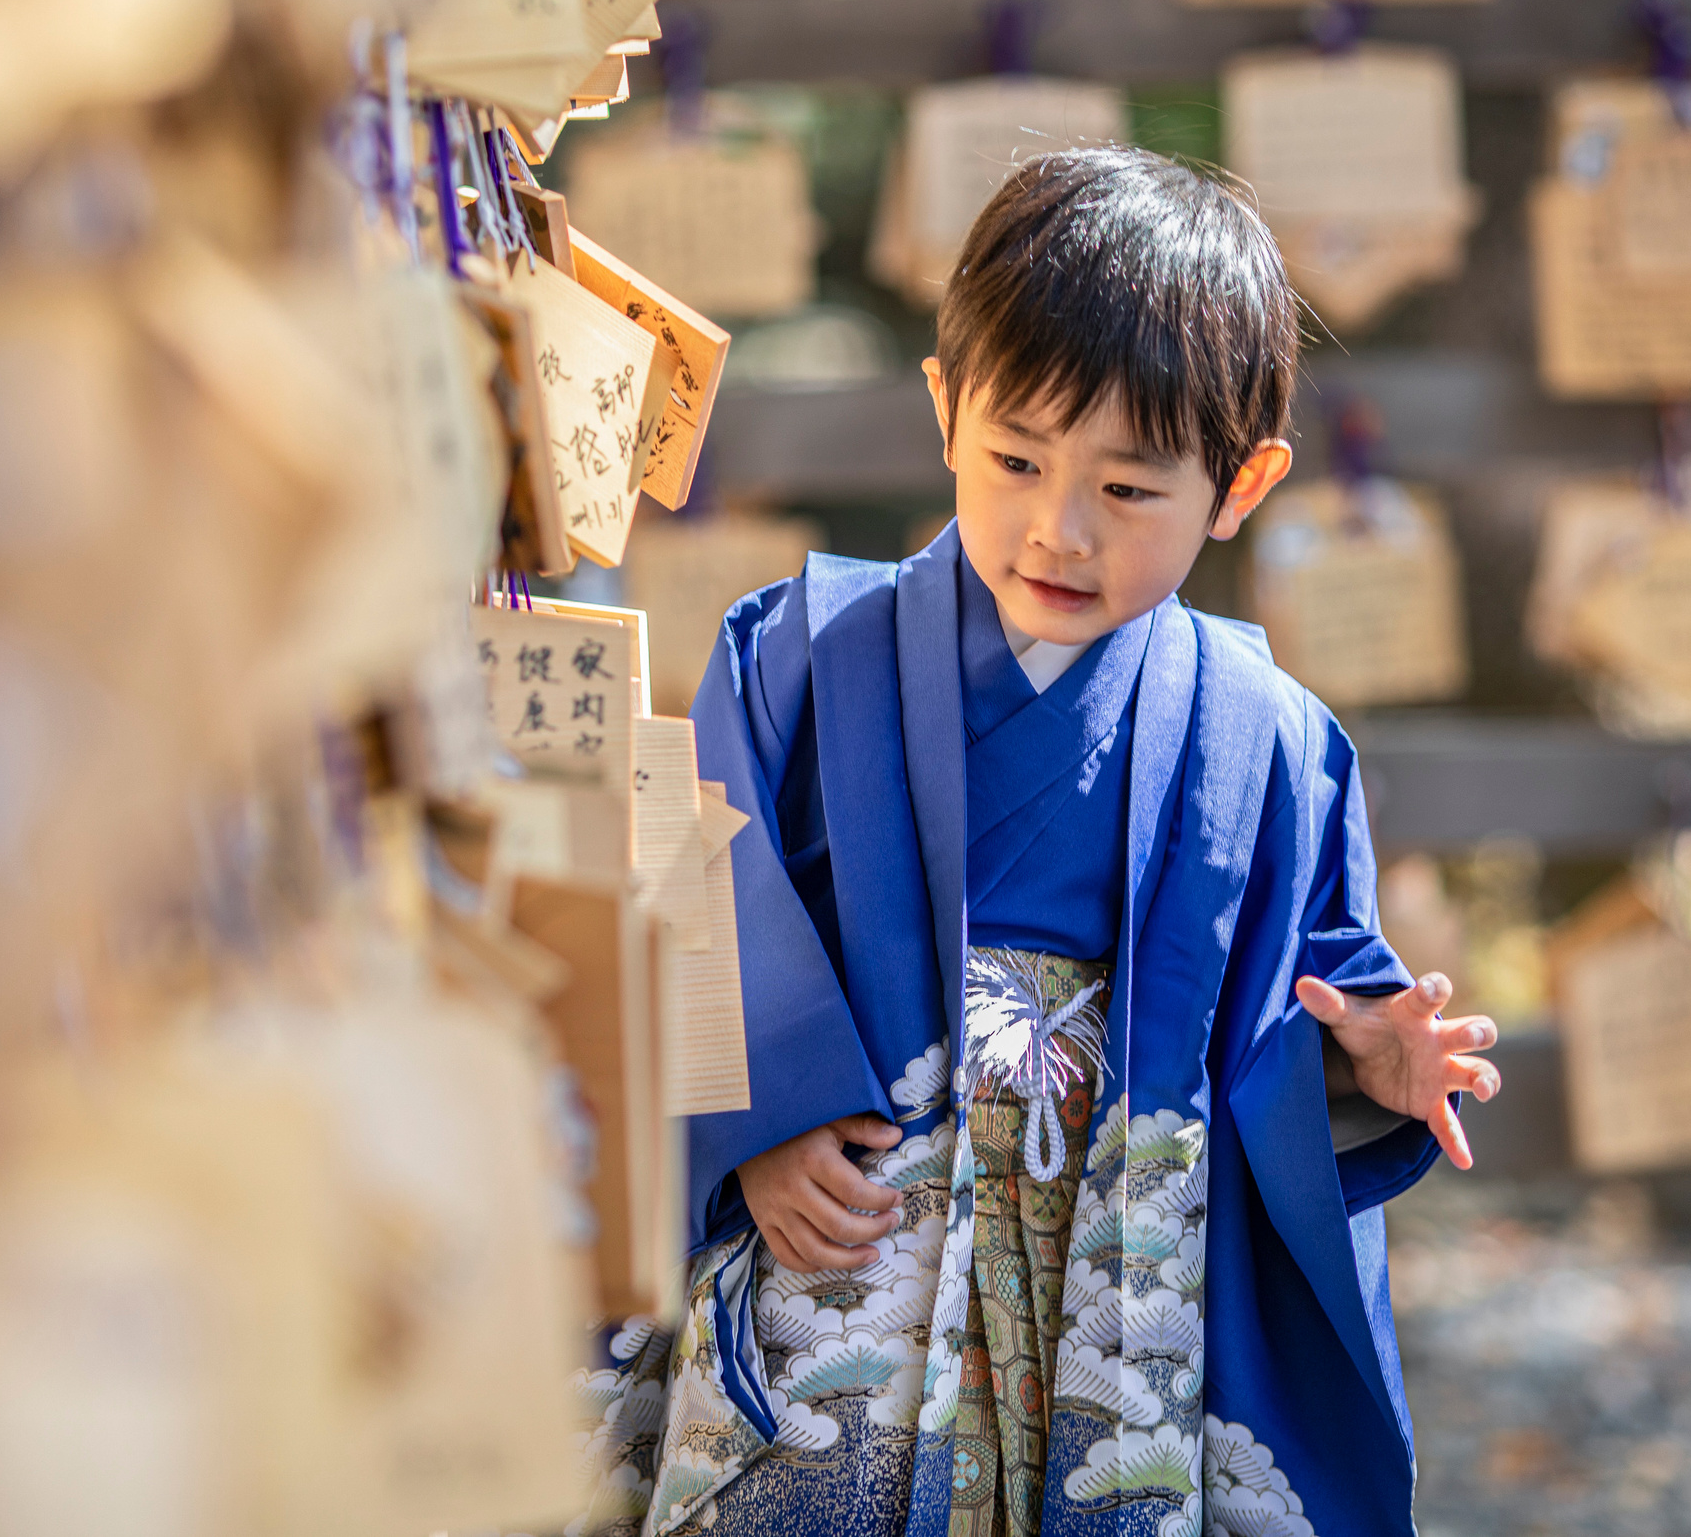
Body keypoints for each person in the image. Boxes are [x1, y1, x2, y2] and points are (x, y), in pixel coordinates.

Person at [576, 146, 1502, 1537]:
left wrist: (1370, 1059)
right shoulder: (801, 657)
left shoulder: (1267, 740)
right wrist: (754, 1130)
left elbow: (1300, 1007)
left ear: (1242, 485)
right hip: (841, 1255)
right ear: (945, 411)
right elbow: (697, 913)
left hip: (1117, 1286)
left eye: (1128, 490)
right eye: (1017, 460)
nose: (1058, 530)